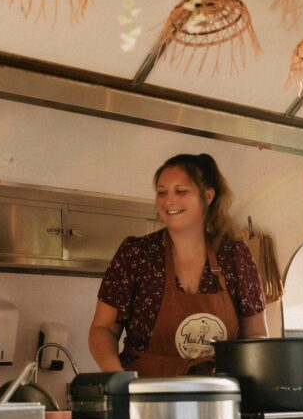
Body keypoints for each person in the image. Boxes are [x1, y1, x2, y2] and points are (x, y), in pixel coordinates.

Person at [89, 153, 268, 377]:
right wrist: (117, 376)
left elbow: (256, 336)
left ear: (208, 196)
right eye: (162, 192)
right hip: (145, 391)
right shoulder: (136, 253)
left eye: (181, 191)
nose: (169, 201)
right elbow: (103, 329)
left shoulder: (235, 256)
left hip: (218, 393)